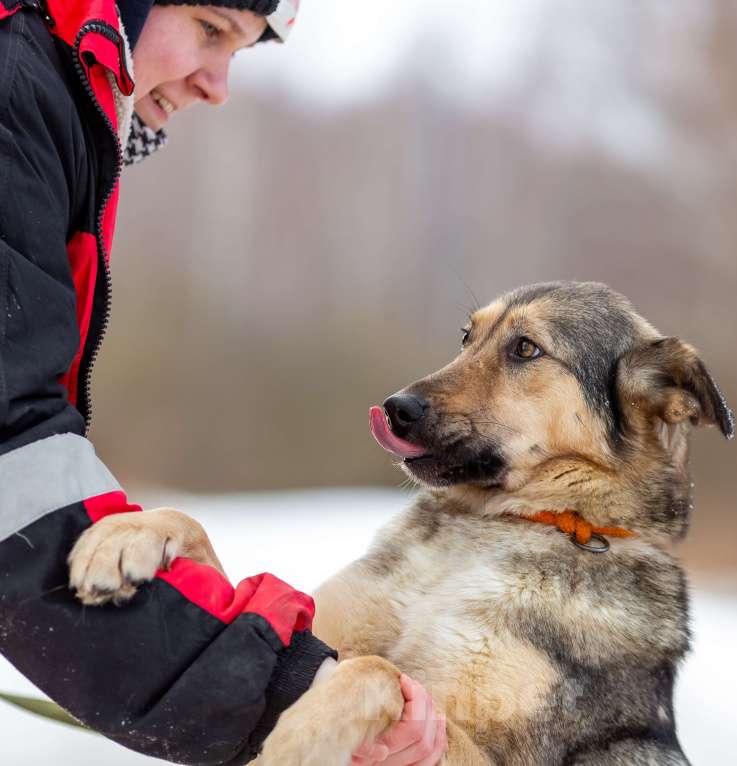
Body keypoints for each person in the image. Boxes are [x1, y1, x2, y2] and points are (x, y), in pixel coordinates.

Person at [0, 1, 445, 764]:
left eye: (240, 49)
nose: (219, 83)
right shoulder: (16, 91)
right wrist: (299, 697)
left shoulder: (49, 97)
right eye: (211, 29)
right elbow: (13, 464)